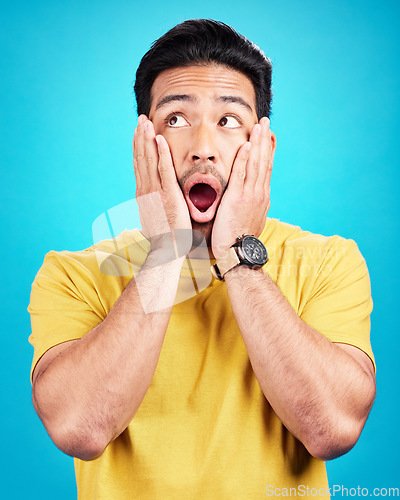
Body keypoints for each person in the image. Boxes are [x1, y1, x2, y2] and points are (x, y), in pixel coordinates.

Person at [28, 19, 376, 499]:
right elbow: (79, 429)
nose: (203, 149)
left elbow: (333, 429)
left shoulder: (327, 262)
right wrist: (168, 251)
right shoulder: (74, 274)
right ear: (143, 145)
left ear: (263, 149)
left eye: (229, 120)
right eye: (175, 119)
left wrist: (238, 252)